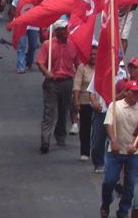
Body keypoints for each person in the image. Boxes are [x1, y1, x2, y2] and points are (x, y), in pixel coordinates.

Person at [101, 81, 138, 218]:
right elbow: (108, 124)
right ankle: (106, 203)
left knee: (130, 185)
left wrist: (135, 144)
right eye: (133, 91)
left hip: (133, 154)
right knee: (109, 181)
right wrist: (113, 141)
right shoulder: (115, 106)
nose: (136, 95)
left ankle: (123, 211)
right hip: (115, 152)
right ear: (126, 92)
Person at [36, 18, 77, 153]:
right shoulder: (47, 45)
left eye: (67, 29)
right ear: (57, 31)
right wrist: (47, 73)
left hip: (67, 82)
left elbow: (77, 63)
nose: (67, 32)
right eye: (64, 29)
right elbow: (40, 62)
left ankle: (60, 135)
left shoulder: (73, 45)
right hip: (52, 82)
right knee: (49, 111)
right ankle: (45, 140)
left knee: (63, 110)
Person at [73, 43, 98, 162]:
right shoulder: (82, 67)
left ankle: (97, 152)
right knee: (85, 128)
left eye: (95, 54)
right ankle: (84, 152)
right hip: (85, 101)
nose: (93, 56)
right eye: (91, 54)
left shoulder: (102, 67)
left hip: (98, 103)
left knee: (98, 129)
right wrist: (76, 101)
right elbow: (77, 85)